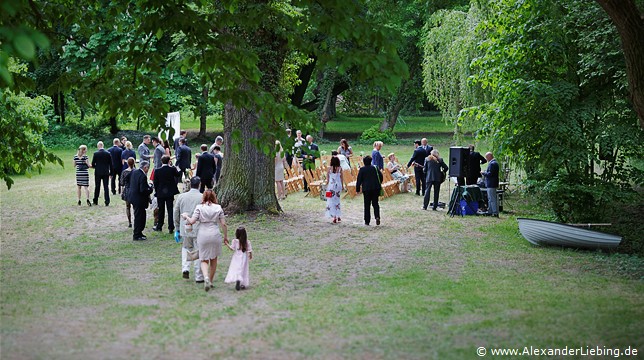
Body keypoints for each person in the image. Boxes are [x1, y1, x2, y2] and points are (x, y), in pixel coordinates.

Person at [183, 190, 229, 292]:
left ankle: (206, 277)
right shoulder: (218, 208)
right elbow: (224, 224)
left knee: (203, 259)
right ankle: (211, 280)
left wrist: (186, 216)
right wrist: (226, 236)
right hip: (215, 234)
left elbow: (192, 221)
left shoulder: (199, 207)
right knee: (214, 259)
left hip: (203, 234)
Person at [173, 176, 205, 283]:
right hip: (198, 228)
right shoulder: (202, 197)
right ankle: (198, 275)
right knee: (198, 250)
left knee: (186, 248)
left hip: (185, 226)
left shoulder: (181, 197)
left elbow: (176, 213)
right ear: (199, 185)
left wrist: (177, 228)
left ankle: (185, 268)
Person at [153, 155, 180, 233]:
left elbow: (155, 182)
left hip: (160, 193)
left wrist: (157, 191)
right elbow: (178, 175)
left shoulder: (157, 170)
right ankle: (171, 227)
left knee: (161, 210)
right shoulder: (172, 169)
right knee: (170, 210)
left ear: (161, 161)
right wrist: (175, 167)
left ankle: (159, 226)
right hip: (170, 193)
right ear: (169, 161)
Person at [128, 161, 153, 241]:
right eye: (147, 168)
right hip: (139, 199)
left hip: (133, 197)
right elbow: (143, 190)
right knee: (139, 217)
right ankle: (137, 234)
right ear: (145, 168)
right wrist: (150, 189)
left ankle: (139, 232)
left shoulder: (134, 172)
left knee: (139, 215)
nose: (148, 170)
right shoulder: (143, 176)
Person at [356, 156, 383, 226]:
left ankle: (367, 221)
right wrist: (379, 183)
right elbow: (381, 176)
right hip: (375, 188)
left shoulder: (362, 170)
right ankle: (377, 216)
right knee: (375, 203)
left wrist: (358, 189)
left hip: (366, 189)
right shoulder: (375, 168)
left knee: (367, 205)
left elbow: (359, 180)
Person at [224, 226, 253, 291]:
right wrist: (250, 255)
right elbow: (249, 250)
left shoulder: (235, 241)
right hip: (244, 256)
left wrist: (226, 244)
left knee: (236, 268)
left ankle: (238, 279)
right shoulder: (247, 242)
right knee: (243, 269)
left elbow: (232, 248)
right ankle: (242, 283)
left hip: (236, 256)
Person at [91, 141, 112, 206]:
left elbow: (93, 163)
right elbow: (111, 164)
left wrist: (95, 167)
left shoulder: (96, 154)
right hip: (106, 172)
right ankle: (107, 201)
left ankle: (95, 200)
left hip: (98, 172)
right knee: (106, 187)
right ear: (103, 145)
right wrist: (111, 173)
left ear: (98, 146)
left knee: (97, 186)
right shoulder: (108, 153)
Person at [325, 156, 343, 223]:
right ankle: (338, 215)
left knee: (331, 200)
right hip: (338, 186)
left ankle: (334, 216)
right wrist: (342, 186)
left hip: (331, 186)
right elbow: (341, 178)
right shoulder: (340, 168)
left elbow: (328, 179)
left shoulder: (329, 168)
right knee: (337, 200)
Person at [481, 152, 500, 217]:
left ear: (489, 156)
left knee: (492, 199)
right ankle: (490, 211)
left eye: (487, 157)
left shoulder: (492, 164)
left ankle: (494, 212)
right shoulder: (495, 163)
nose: (486, 159)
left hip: (491, 183)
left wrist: (483, 173)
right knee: (490, 198)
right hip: (492, 183)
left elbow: (490, 174)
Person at [120, 158, 136, 228]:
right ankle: (136, 220)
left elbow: (122, 183)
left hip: (127, 190)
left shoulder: (124, 172)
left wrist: (122, 191)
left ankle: (129, 222)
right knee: (135, 207)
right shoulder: (136, 171)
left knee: (127, 207)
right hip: (134, 190)